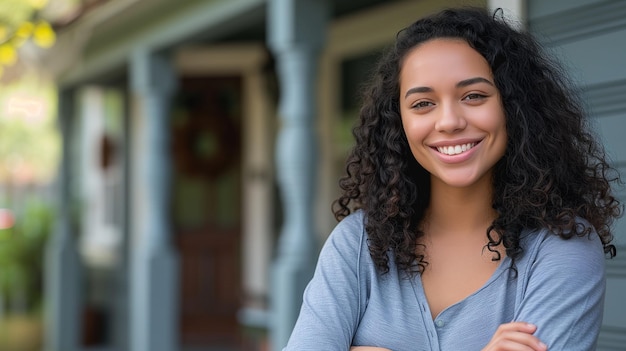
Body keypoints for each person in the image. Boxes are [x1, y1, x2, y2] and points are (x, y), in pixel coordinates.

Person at [282, 6, 623, 351]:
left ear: (515, 107)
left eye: (473, 96)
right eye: (422, 103)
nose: (448, 121)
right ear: (398, 122)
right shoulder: (357, 244)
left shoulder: (562, 251)